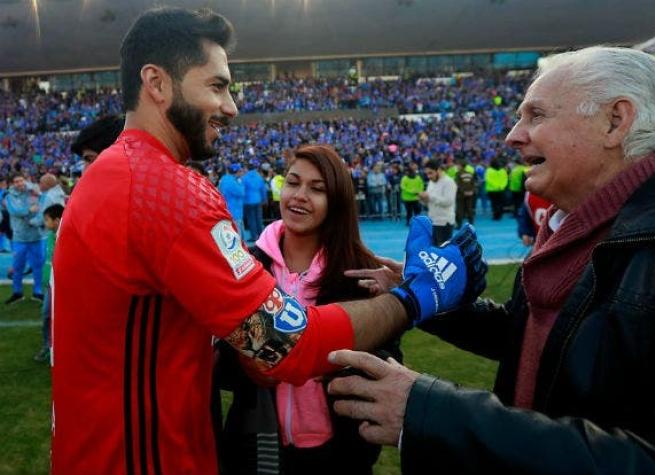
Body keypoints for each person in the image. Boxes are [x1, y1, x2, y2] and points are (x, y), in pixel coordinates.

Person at [50, 7, 487, 475]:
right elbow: (287, 345)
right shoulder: (162, 187)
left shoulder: (116, 174)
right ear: (157, 84)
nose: (231, 106)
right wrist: (419, 296)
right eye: (216, 86)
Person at [328, 46, 655, 474]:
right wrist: (428, 300)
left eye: (536, 115)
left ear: (615, 121)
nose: (513, 135)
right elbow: (543, 339)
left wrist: (433, 411)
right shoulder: (576, 227)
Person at [217, 145, 401, 475]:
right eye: (293, 183)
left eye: (317, 189)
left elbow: (387, 362)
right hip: (262, 449)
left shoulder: (361, 272)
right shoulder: (246, 264)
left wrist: (327, 362)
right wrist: (251, 363)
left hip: (342, 455)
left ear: (337, 202)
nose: (299, 196)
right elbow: (223, 367)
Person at [4, 174, 44, 304]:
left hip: (36, 236)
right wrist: (29, 210)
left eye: (21, 180)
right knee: (17, 266)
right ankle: (17, 292)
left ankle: (37, 292)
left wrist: (34, 191)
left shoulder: (33, 192)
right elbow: (15, 211)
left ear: (25, 180)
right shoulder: (9, 196)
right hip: (19, 238)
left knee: (38, 266)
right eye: (16, 181)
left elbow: (39, 208)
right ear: (12, 184)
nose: (19, 183)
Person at [33, 203, 64, 363]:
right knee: (46, 315)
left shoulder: (66, 237)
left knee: (58, 317)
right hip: (49, 285)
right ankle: (47, 346)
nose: (45, 223)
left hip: (60, 285)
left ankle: (60, 347)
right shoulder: (50, 236)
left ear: (57, 220)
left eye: (47, 220)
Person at [419, 159, 457, 245]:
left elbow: (448, 202)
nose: (428, 176)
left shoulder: (449, 182)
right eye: (427, 174)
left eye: (430, 173)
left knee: (442, 253)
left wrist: (430, 197)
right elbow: (430, 201)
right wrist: (423, 200)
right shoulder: (431, 182)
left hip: (444, 223)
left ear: (438, 170)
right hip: (433, 221)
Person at [219, 163, 246, 240]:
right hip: (234, 211)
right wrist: (241, 183)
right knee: (238, 236)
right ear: (236, 172)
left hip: (230, 210)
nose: (241, 173)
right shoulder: (232, 182)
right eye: (240, 171)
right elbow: (241, 192)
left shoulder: (225, 179)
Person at [243, 160, 267, 242]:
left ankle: (254, 237)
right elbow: (263, 189)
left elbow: (243, 190)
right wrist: (264, 199)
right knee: (259, 218)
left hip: (248, 201)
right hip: (258, 200)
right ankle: (261, 236)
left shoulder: (245, 178)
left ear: (247, 169)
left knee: (251, 219)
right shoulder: (259, 176)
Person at [400, 161, 424, 226]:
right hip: (408, 198)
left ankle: (417, 222)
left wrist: (418, 191)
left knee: (417, 211)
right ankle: (408, 222)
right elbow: (403, 187)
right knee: (409, 212)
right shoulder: (405, 178)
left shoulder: (418, 178)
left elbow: (421, 185)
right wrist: (413, 191)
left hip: (415, 198)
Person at [454, 157, 476, 225]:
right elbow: (473, 183)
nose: (456, 166)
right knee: (469, 209)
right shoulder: (470, 173)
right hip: (470, 194)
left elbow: (457, 184)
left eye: (457, 165)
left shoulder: (458, 174)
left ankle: (459, 224)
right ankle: (471, 223)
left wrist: (463, 191)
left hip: (460, 194)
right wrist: (471, 191)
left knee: (459, 209)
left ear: (460, 166)